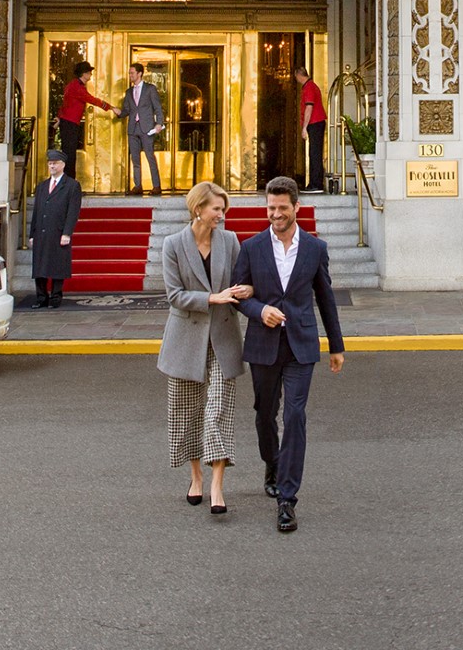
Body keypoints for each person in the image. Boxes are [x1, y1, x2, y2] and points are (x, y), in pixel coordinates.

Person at [234, 176, 344, 533]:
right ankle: (272, 462)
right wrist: (259, 310)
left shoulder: (315, 248)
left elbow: (326, 298)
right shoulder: (251, 247)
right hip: (263, 346)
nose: (276, 214)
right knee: (265, 412)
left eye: (283, 208)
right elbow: (240, 295)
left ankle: (287, 498)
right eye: (271, 208)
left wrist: (336, 346)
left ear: (297, 207)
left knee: (295, 416)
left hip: (301, 344)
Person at [157, 182, 254, 516]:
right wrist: (212, 297)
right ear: (198, 209)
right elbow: (174, 295)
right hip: (185, 339)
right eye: (216, 209)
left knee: (218, 411)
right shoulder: (172, 245)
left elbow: (245, 278)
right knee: (187, 412)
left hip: (224, 338)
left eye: (223, 210)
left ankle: (217, 485)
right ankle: (195, 477)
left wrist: (247, 289)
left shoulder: (229, 241)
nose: (221, 216)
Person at [27, 149, 82, 308]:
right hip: (42, 231)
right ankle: (41, 297)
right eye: (50, 163)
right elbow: (37, 211)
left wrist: (67, 233)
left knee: (57, 265)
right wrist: (32, 234)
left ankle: (56, 297)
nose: (52, 166)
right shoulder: (42, 186)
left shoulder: (72, 185)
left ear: (62, 165)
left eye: (55, 163)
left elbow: (73, 212)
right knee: (40, 266)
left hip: (58, 231)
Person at [59, 60, 113, 172]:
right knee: (69, 154)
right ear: (84, 74)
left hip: (68, 122)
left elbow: (65, 103)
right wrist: (111, 107)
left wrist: (59, 117)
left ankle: (68, 183)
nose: (91, 74)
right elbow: (91, 99)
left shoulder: (73, 85)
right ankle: (69, 183)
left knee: (69, 153)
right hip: (70, 123)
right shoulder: (77, 87)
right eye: (89, 72)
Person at [122, 62, 167, 195]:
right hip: (133, 129)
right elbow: (126, 110)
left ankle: (156, 186)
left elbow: (157, 107)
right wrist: (117, 111)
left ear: (139, 73)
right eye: (130, 73)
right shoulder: (128, 92)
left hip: (147, 128)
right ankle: (138, 186)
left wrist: (159, 123)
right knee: (135, 158)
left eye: (132, 73)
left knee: (149, 156)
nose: (130, 75)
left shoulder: (150, 89)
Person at [298, 68, 329, 191]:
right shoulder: (310, 86)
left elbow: (309, 107)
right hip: (316, 123)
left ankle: (316, 184)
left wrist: (304, 127)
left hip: (315, 123)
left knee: (315, 154)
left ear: (299, 75)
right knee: (314, 153)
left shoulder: (309, 87)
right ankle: (314, 183)